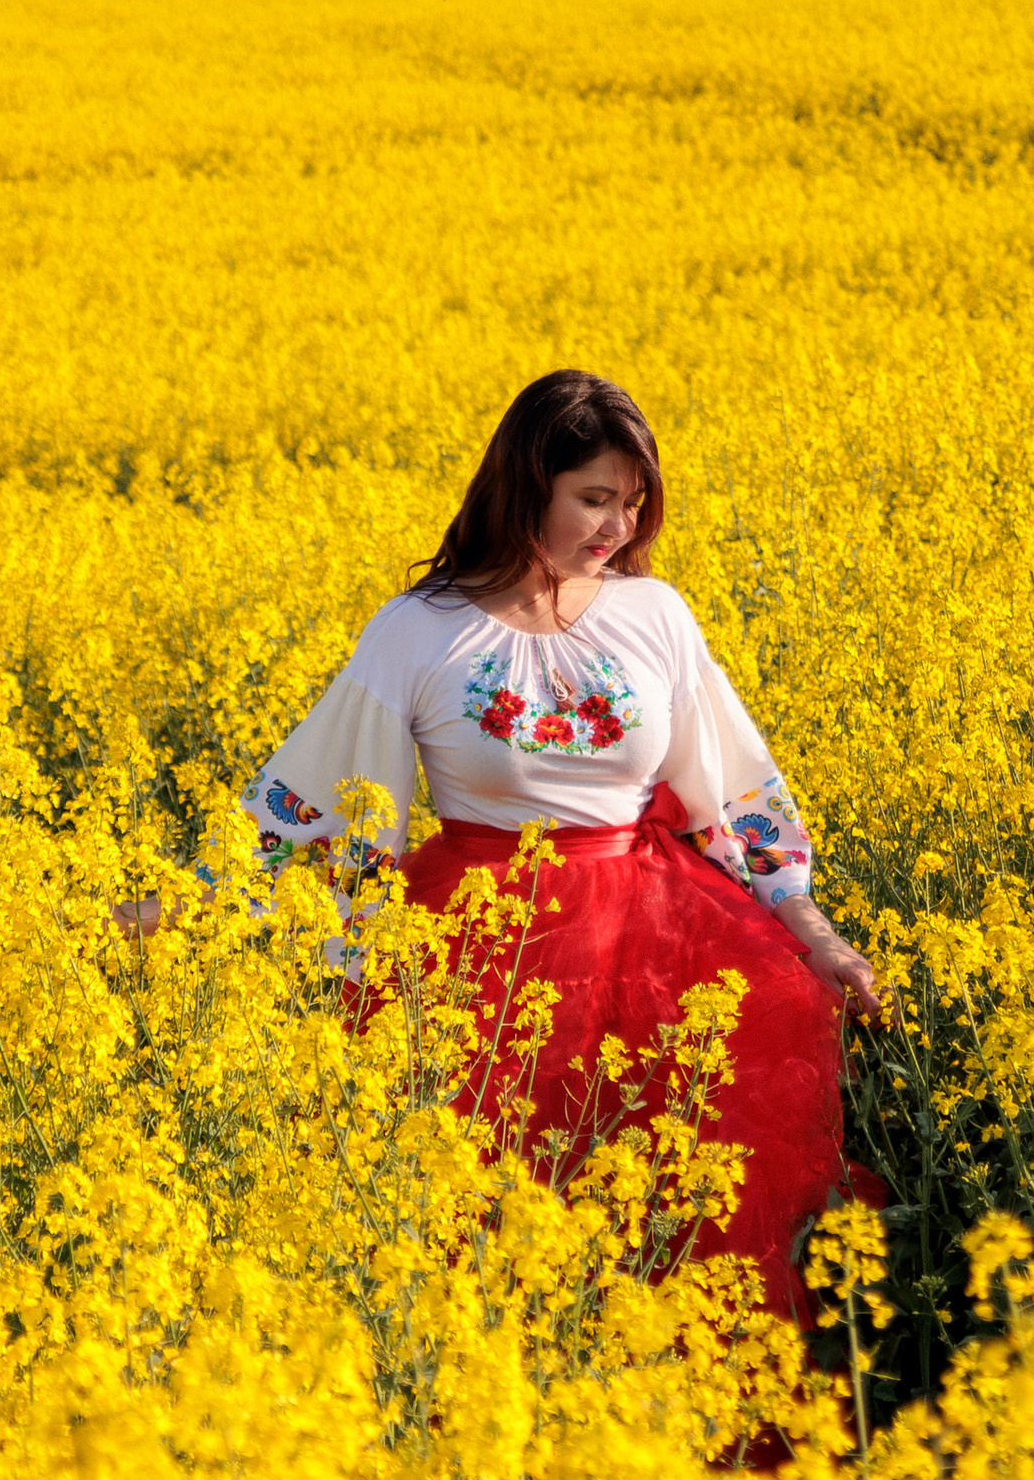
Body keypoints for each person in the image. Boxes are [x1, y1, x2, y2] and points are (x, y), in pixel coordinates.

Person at [191, 369, 885, 1319]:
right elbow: (327, 798)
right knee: (487, 1241)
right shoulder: (417, 632)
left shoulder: (656, 616)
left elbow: (731, 797)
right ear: (527, 490)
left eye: (631, 505)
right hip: (483, 964)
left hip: (666, 953)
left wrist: (812, 930)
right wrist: (194, 904)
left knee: (677, 1224)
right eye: (593, 500)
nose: (618, 530)